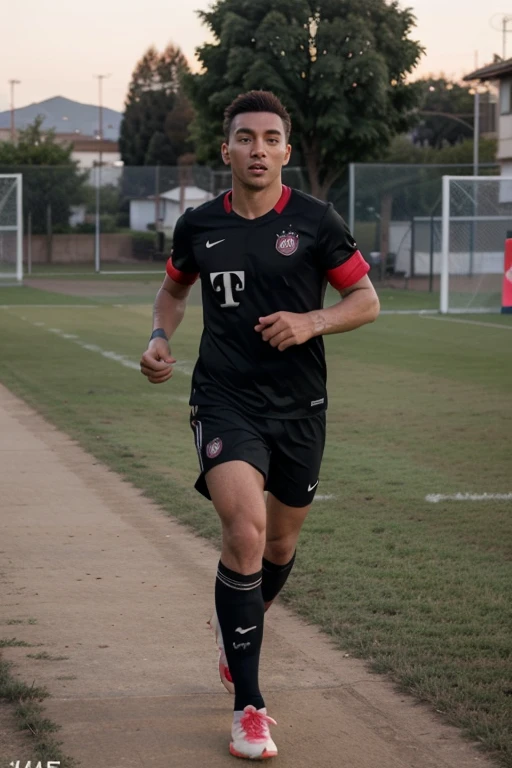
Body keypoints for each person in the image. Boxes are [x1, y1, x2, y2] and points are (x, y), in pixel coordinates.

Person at [140, 90, 380, 760]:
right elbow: (174, 290)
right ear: (227, 149)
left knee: (277, 547)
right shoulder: (197, 225)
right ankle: (249, 705)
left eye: (271, 138)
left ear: (284, 149)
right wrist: (159, 336)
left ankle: (234, 626)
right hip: (224, 399)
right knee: (243, 533)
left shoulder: (314, 220)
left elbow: (365, 299)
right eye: (245, 138)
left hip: (300, 407)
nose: (258, 149)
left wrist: (313, 321)